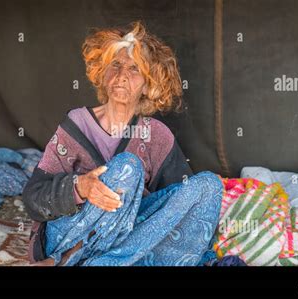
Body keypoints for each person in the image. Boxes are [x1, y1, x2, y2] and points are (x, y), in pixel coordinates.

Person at [23, 21, 223, 266]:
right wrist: (80, 188)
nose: (121, 76)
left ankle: (103, 262)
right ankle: (69, 258)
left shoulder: (156, 135)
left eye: (134, 69)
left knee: (209, 185)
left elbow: (178, 207)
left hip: (126, 240)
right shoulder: (76, 124)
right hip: (68, 236)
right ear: (102, 73)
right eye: (115, 65)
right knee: (128, 167)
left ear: (148, 84)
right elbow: (34, 198)